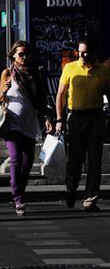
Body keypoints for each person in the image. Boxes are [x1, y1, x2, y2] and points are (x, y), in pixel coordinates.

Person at [0, 40, 52, 216]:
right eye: (21, 54)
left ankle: (20, 191)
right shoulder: (7, 73)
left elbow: (41, 100)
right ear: (13, 55)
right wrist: (4, 90)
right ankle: (17, 198)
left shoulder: (34, 74)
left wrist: (46, 118)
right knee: (15, 159)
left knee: (27, 163)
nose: (24, 57)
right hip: (12, 122)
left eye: (26, 54)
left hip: (29, 122)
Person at [56, 40, 110, 212]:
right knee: (75, 160)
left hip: (96, 117)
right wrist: (59, 119)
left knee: (95, 161)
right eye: (80, 52)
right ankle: (71, 189)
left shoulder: (103, 70)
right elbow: (61, 95)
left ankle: (90, 199)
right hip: (76, 118)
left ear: (93, 52)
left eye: (86, 52)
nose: (82, 55)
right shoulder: (70, 68)